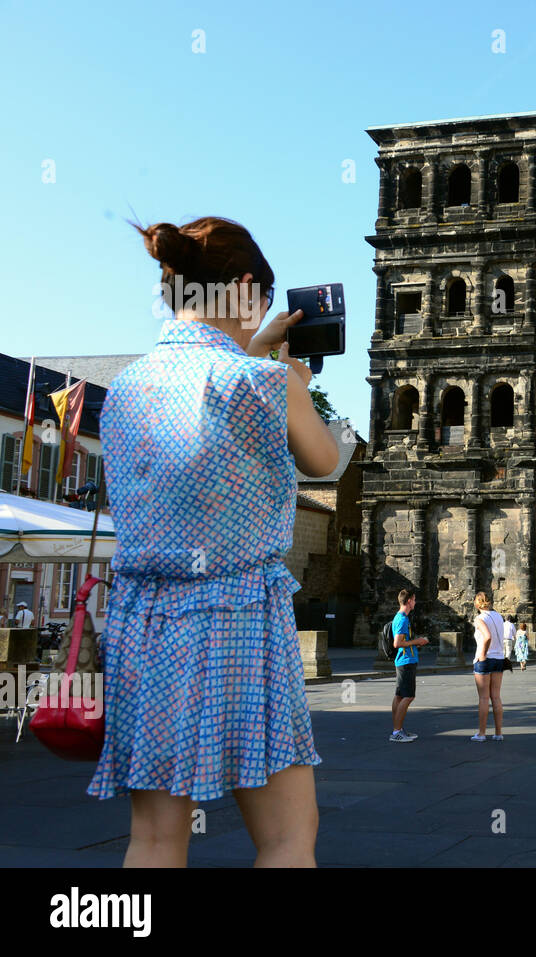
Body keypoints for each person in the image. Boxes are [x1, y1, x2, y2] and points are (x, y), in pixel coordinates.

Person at [89, 216, 339, 867]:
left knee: (152, 838)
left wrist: (257, 348)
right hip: (239, 619)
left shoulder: (124, 389)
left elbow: (206, 391)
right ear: (250, 287)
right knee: (287, 837)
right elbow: (324, 459)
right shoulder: (266, 385)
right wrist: (296, 386)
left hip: (144, 620)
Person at [390, 589, 427, 742]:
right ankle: (396, 732)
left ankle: (397, 729)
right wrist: (417, 641)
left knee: (399, 696)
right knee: (408, 696)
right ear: (409, 601)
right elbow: (397, 643)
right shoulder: (402, 619)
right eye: (414, 599)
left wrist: (414, 643)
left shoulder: (401, 617)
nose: (415, 602)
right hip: (406, 661)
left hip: (404, 660)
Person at [471, 592, 508, 741]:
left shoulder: (479, 618)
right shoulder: (498, 616)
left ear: (477, 604)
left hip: (485, 659)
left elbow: (487, 637)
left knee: (484, 698)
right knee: (496, 697)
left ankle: (481, 733)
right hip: (499, 658)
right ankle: (498, 733)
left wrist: (482, 654)